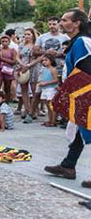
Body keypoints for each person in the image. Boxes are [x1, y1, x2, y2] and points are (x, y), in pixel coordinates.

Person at [45, 9, 91, 186]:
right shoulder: (79, 41)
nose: (61, 23)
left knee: (85, 127)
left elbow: (85, 71)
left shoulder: (82, 42)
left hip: (86, 93)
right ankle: (68, 165)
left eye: (64, 20)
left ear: (76, 23)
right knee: (80, 130)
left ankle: (68, 165)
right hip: (82, 93)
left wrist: (71, 93)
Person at [16, 29, 39, 122]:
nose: (26, 36)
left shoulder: (36, 45)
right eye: (25, 34)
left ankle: (34, 110)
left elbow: (40, 57)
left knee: (34, 90)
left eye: (28, 34)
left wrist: (29, 65)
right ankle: (26, 109)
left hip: (33, 67)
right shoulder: (21, 45)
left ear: (33, 35)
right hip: (23, 67)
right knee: (24, 89)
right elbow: (17, 56)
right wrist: (21, 64)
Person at [37, 55, 59, 127]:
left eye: (46, 60)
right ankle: (50, 119)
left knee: (51, 105)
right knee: (47, 105)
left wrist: (46, 82)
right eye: (43, 60)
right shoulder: (44, 69)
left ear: (51, 61)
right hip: (45, 88)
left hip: (51, 88)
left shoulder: (53, 69)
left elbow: (56, 80)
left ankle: (53, 121)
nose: (44, 62)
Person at [0, 34, 18, 103]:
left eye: (6, 41)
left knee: (7, 87)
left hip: (8, 70)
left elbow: (14, 61)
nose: (4, 43)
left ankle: (6, 102)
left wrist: (3, 59)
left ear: (9, 42)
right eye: (3, 41)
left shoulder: (12, 50)